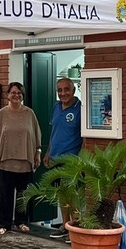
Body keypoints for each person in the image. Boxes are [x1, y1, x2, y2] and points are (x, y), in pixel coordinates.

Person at [0, 82, 41, 235]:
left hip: (25, 161)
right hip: (6, 161)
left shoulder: (29, 113)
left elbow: (37, 135)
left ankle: (21, 222)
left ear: (22, 95)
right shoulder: (2, 113)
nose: (16, 95)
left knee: (23, 195)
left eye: (19, 93)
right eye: (13, 92)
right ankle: (4, 224)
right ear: (8, 95)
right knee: (5, 195)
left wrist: (38, 153)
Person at [43, 77, 83, 238]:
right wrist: (48, 152)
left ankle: (76, 228)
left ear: (73, 90)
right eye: (60, 90)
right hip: (55, 158)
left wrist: (81, 158)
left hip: (71, 159)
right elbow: (54, 132)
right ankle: (65, 226)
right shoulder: (56, 107)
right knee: (61, 193)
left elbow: (85, 137)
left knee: (73, 195)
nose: (63, 93)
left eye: (66, 89)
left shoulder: (80, 108)